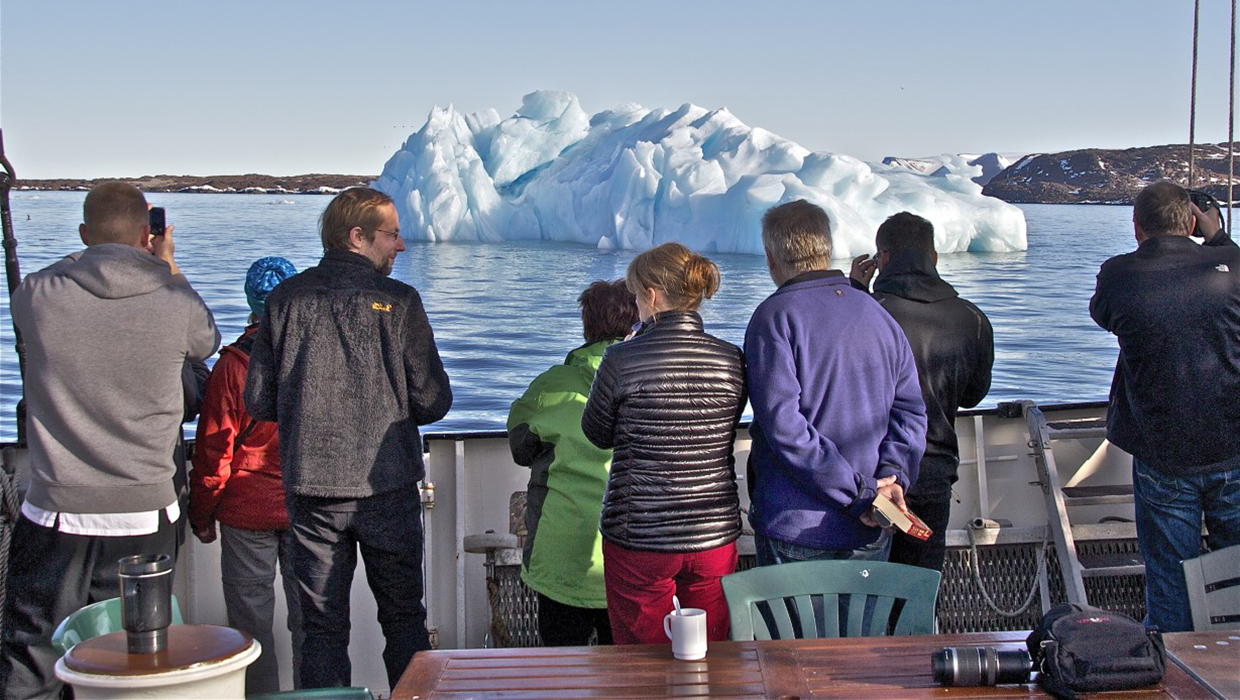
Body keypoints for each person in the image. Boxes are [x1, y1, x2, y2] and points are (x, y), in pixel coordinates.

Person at [2, 182, 219, 700]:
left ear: (82, 233)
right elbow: (207, 341)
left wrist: (95, 250)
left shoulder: (37, 293)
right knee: (134, 660)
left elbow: (47, 280)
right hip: (143, 517)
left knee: (33, 658)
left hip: (56, 513)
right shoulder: (175, 300)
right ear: (149, 235)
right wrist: (164, 264)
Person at [244, 187, 452, 688]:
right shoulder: (400, 303)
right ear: (357, 237)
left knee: (320, 629)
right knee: (404, 618)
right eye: (392, 235)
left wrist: (310, 411)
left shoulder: (284, 300)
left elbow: (258, 401)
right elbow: (433, 401)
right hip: (388, 487)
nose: (400, 246)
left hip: (312, 489)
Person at [1090, 180, 1240, 632]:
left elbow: (1104, 315)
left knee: (1171, 578)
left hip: (1163, 450)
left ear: (1136, 228)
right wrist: (1217, 239)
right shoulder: (1232, 265)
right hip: (1233, 445)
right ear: (1192, 221)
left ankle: (1177, 672)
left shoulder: (1118, 274)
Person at [746, 200, 926, 567]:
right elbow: (910, 411)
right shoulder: (878, 314)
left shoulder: (774, 318)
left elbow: (785, 427)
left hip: (799, 528)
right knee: (861, 626)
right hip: (873, 524)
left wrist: (857, 493)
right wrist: (893, 479)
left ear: (770, 258)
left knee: (797, 628)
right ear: (827, 248)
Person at [581, 242, 746, 645]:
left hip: (640, 533)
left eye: (637, 296)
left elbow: (597, 434)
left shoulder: (621, 359)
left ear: (652, 295)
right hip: (712, 531)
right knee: (709, 651)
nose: (636, 304)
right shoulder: (731, 359)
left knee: (642, 659)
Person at [848, 212, 994, 573]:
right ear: (934, 258)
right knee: (919, 587)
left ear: (882, 258)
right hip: (933, 472)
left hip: (872, 477)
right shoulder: (972, 318)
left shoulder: (866, 312)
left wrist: (855, 293)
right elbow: (973, 396)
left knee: (865, 591)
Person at [190, 256, 302, 693]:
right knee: (314, 621)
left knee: (251, 629)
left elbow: (214, 453)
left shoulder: (233, 365)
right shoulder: (315, 357)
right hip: (306, 508)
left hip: (245, 512)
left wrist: (202, 516)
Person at [507, 280, 637, 647]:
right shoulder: (650, 379)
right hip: (630, 559)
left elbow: (521, 446)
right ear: (636, 324)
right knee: (628, 674)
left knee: (562, 671)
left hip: (561, 559)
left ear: (587, 326)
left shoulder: (551, 384)